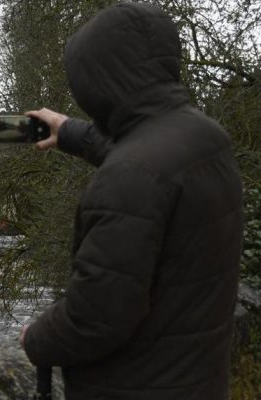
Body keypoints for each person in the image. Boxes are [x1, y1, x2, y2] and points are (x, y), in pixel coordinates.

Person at [19, 3, 243, 399]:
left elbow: (94, 318)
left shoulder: (130, 177)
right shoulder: (206, 137)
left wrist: (37, 339)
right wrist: (70, 132)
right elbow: (147, 163)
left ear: (100, 82)